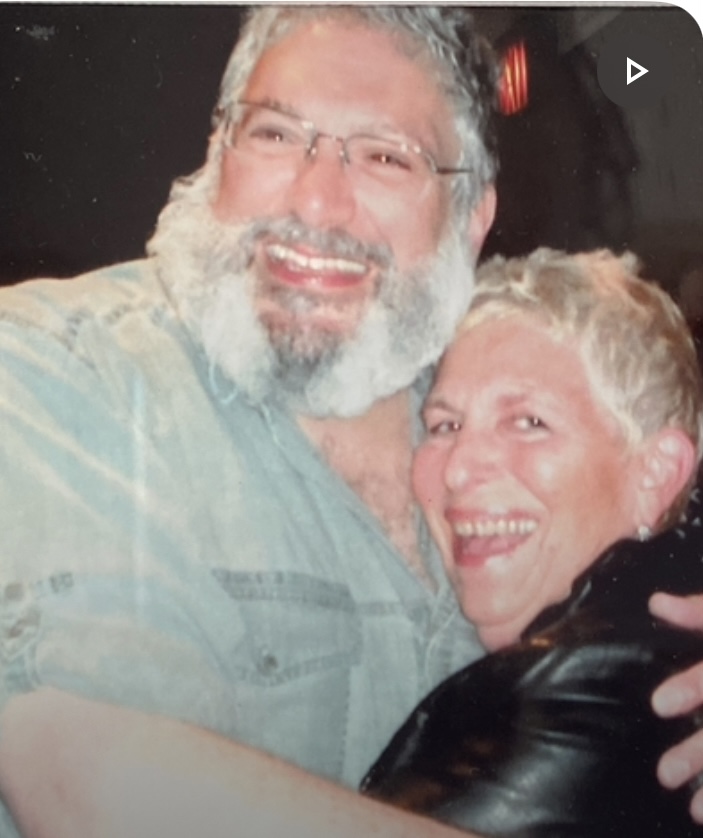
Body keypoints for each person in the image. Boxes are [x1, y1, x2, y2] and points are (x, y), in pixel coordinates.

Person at [0, 7, 701, 837]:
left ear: (470, 216)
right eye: (274, 135)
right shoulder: (52, 365)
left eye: (383, 156)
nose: (317, 202)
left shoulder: (473, 406)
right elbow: (88, 783)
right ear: (218, 150)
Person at [362, 248, 703, 836]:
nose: (459, 469)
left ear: (656, 475)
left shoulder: (589, 691)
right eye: (445, 426)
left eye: (529, 422)